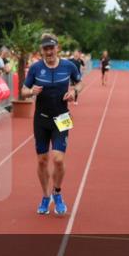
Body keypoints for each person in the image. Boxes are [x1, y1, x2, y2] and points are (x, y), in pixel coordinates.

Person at [22, 34, 83, 216]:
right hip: (41, 119)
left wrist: (74, 91)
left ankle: (57, 192)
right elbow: (24, 90)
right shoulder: (35, 68)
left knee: (58, 159)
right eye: (45, 49)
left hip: (62, 118)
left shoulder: (68, 66)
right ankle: (45, 196)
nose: (49, 51)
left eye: (52, 48)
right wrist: (31, 91)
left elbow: (79, 83)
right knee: (42, 161)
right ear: (42, 50)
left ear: (58, 48)